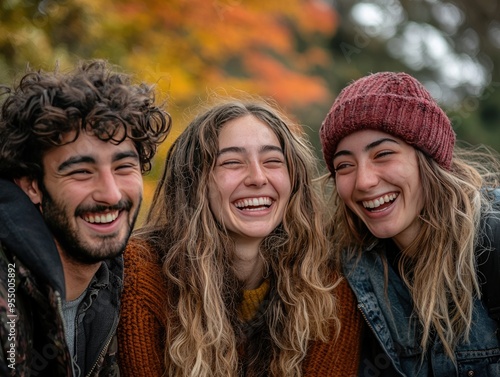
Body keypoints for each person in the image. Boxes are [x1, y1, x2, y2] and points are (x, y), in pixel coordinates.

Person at [117, 98, 363, 376]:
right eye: (232, 162)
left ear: (294, 181)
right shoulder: (142, 273)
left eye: (272, 161)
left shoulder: (327, 289)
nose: (257, 178)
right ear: (194, 182)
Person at [319, 71, 500, 376]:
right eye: (345, 165)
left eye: (383, 154)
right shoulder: (349, 272)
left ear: (427, 159)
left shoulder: (491, 241)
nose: (363, 181)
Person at [0, 59, 171, 376]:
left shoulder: (129, 284)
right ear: (32, 185)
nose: (111, 194)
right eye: (81, 172)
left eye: (123, 168)